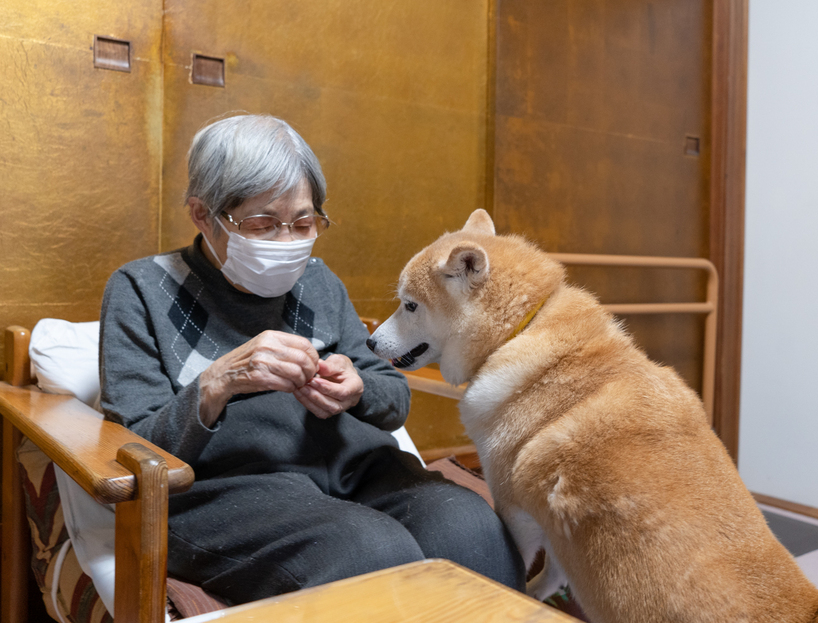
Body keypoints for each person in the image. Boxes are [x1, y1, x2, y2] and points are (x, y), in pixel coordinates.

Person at [99, 114, 525, 604]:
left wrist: (359, 388)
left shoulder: (319, 282)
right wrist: (217, 383)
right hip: (232, 490)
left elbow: (393, 398)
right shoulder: (140, 289)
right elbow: (134, 448)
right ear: (202, 214)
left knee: (471, 528)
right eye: (262, 224)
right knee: (369, 552)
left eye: (303, 223)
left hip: (356, 468)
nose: (289, 242)